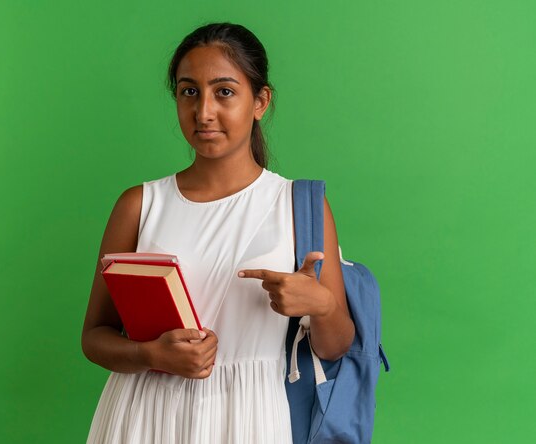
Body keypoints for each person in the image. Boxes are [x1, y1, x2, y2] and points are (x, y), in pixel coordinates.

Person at [81, 22, 355, 444]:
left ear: (260, 101)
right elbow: (94, 337)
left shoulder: (299, 206)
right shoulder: (139, 205)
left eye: (224, 91)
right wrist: (150, 354)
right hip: (142, 418)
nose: (204, 111)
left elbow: (335, 348)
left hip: (250, 419)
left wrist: (321, 305)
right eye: (189, 91)